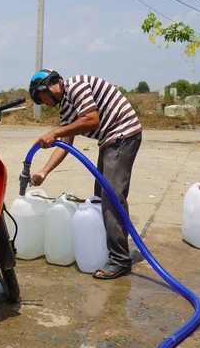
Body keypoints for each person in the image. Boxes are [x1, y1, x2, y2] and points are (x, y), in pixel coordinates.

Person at [28, 69, 143, 279]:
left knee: (111, 196)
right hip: (110, 140)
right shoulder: (66, 108)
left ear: (47, 87)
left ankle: (120, 259)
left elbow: (91, 120)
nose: (42, 103)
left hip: (123, 134)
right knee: (100, 194)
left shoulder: (76, 86)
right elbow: (65, 144)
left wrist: (55, 132)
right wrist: (44, 171)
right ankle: (106, 249)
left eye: (40, 98)